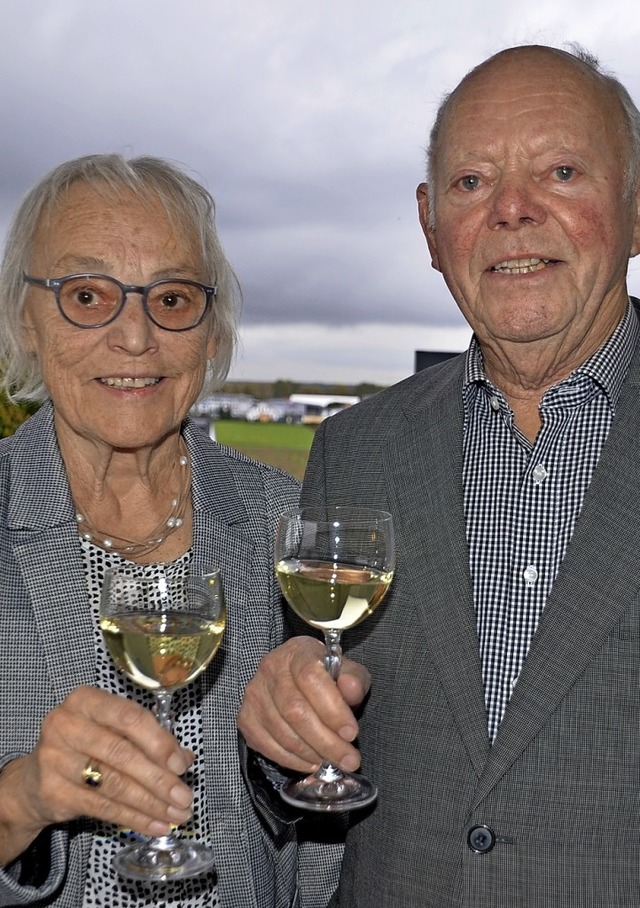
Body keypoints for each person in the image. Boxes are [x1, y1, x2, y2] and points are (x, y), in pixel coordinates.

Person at [238, 43, 640, 906]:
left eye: (562, 171)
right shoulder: (353, 449)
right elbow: (310, 761)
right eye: (471, 183)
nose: (513, 210)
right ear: (428, 228)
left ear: (637, 209)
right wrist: (281, 734)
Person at [0, 154, 340, 908]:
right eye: (87, 295)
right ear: (26, 318)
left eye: (173, 299)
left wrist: (297, 752)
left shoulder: (282, 527)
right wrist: (20, 799)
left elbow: (318, 844)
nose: (135, 337)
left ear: (212, 333)